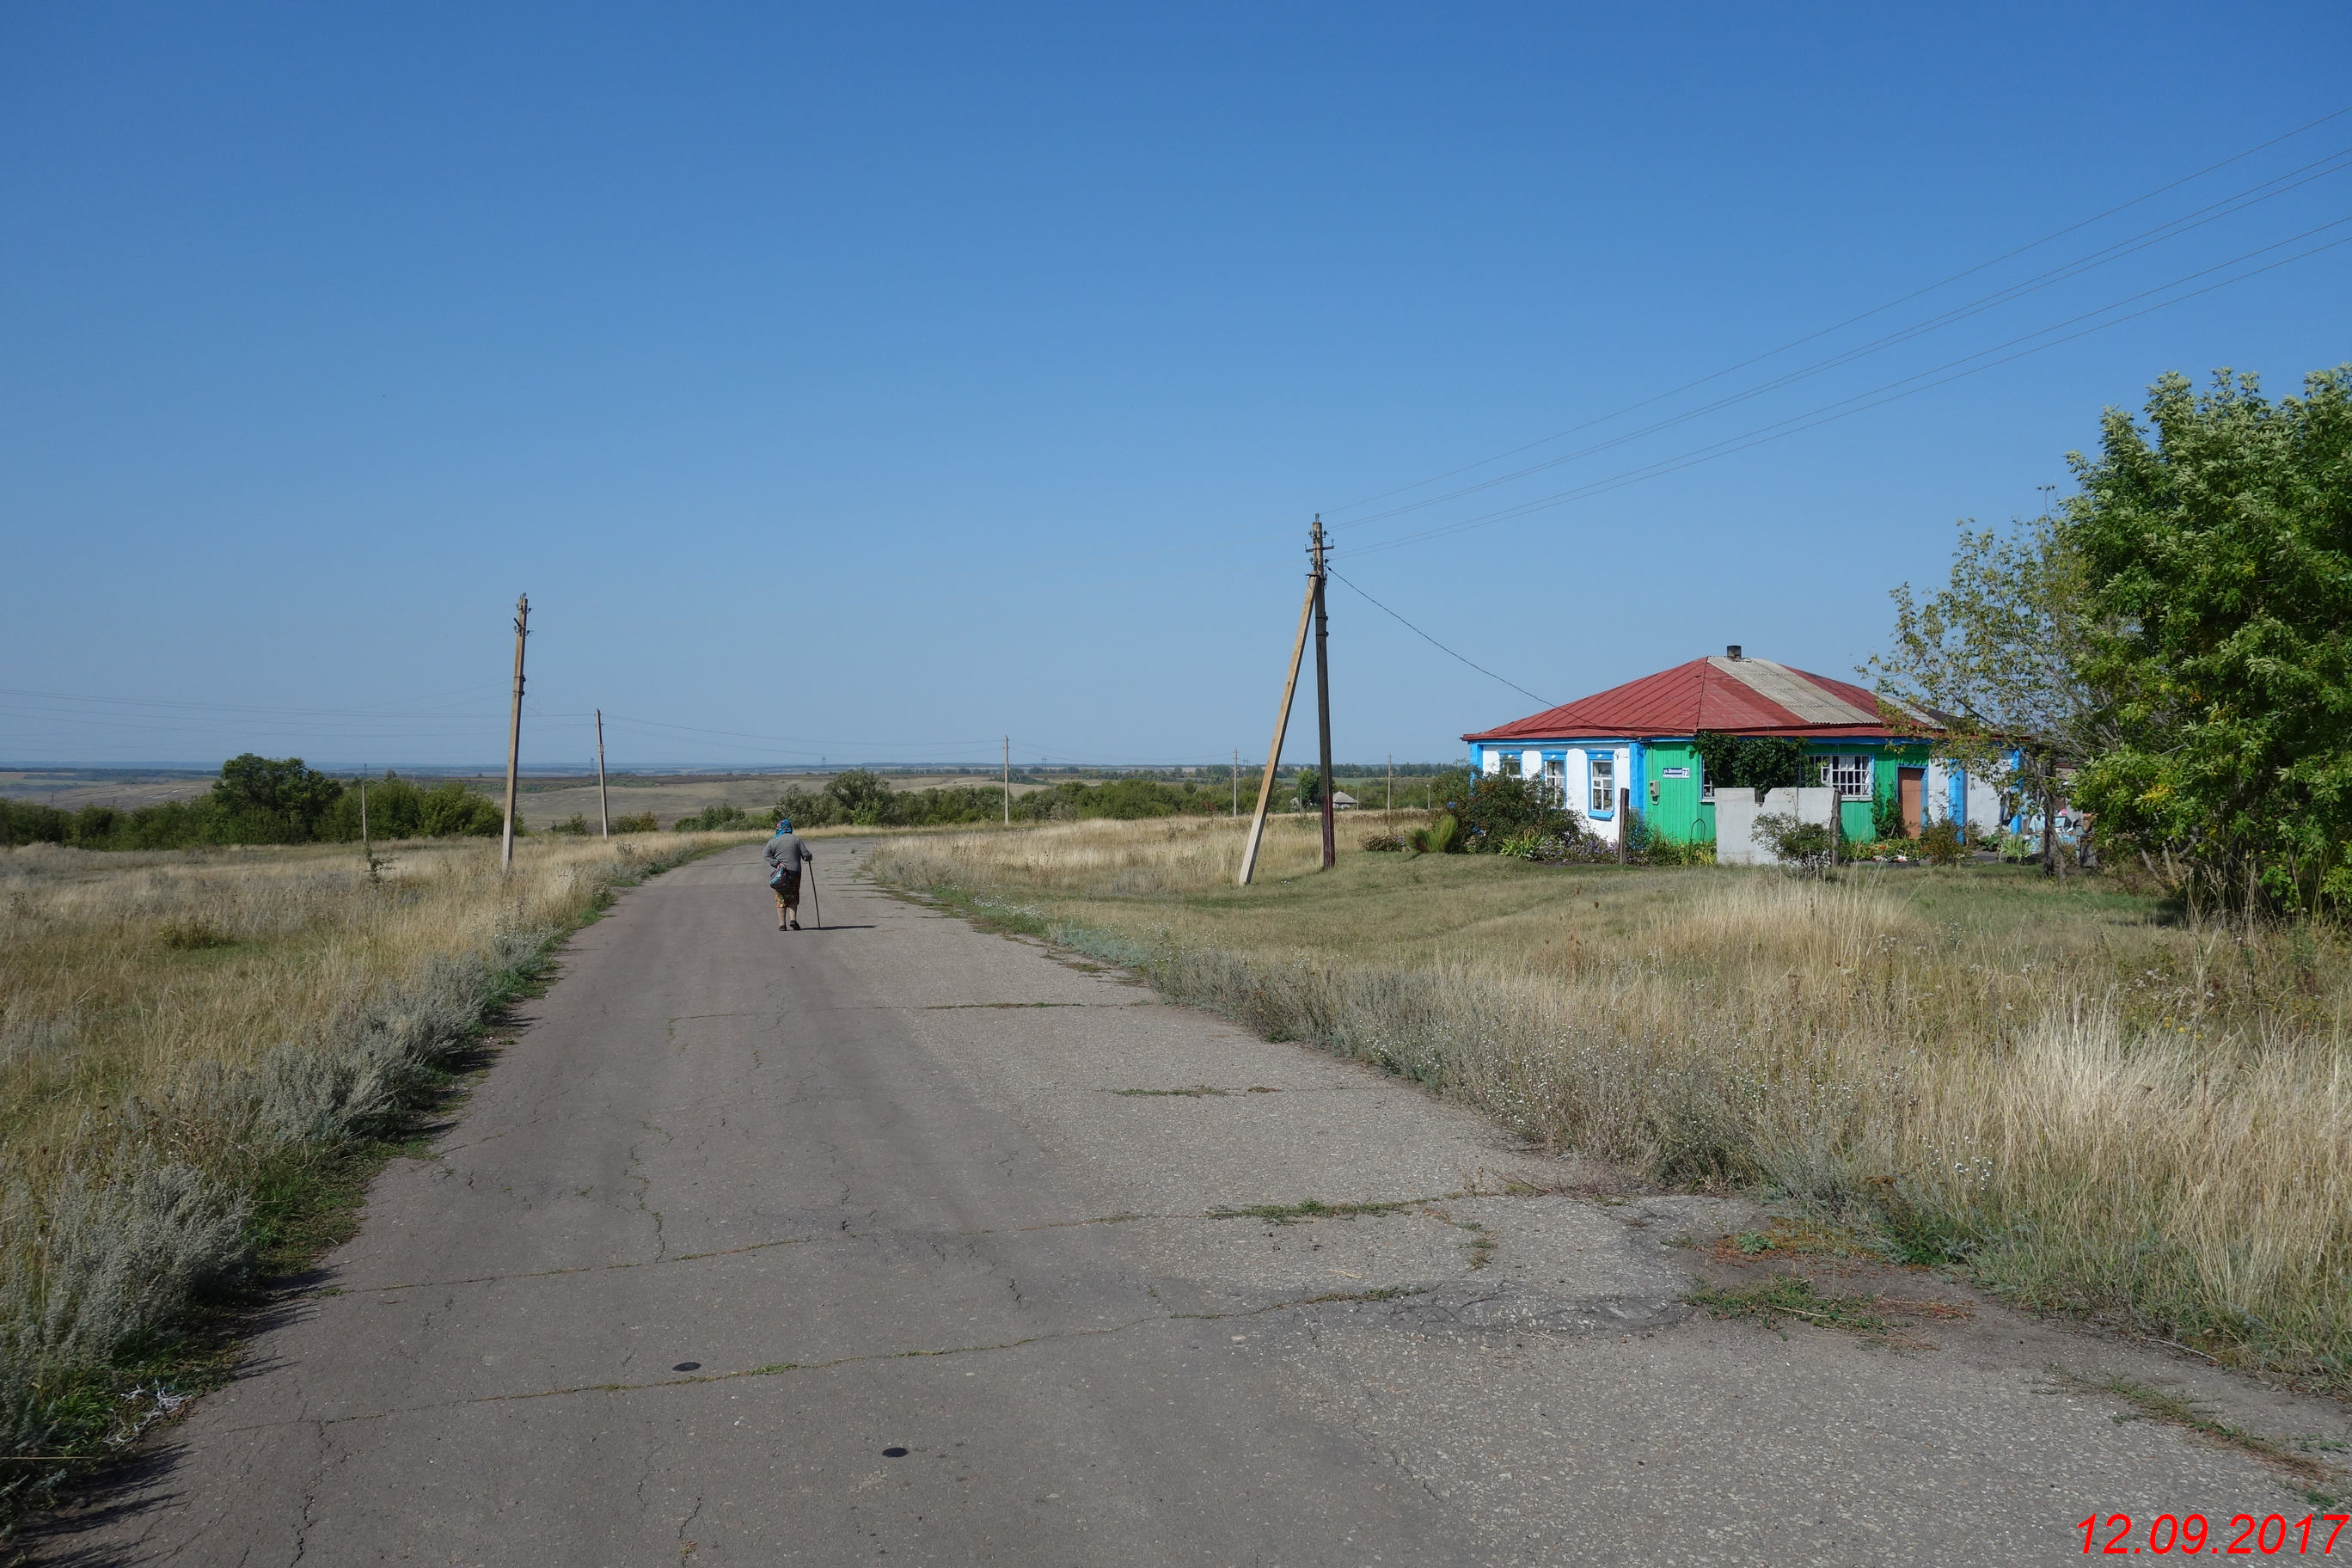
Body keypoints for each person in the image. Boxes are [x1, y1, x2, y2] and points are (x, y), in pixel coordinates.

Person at [764, 818, 813, 930]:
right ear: (790, 828)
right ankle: (793, 920)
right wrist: (809, 856)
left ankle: (782, 924)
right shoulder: (796, 839)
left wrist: (777, 863)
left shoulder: (773, 841)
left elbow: (765, 853)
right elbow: (806, 855)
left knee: (781, 898)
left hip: (779, 875)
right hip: (794, 873)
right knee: (793, 896)